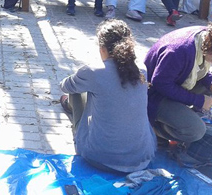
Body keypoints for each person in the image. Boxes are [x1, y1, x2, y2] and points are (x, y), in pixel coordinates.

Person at [59, 20, 156, 173]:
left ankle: (73, 117)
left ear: (102, 49)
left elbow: (65, 85)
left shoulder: (93, 72)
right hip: (141, 157)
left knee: (76, 92)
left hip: (101, 157)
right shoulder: (141, 69)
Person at [144, 21, 212, 144]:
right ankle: (156, 130)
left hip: (176, 84)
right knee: (196, 131)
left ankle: (204, 120)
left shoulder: (207, 40)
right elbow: (160, 84)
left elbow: (196, 69)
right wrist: (198, 100)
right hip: (153, 97)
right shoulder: (180, 50)